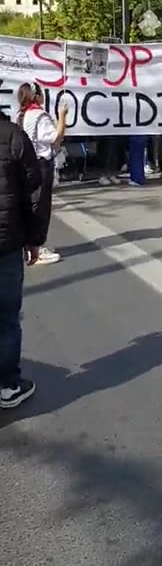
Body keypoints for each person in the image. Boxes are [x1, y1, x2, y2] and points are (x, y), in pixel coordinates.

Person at [0, 110, 42, 408]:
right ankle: (8, 387)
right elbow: (32, 190)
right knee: (7, 319)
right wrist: (34, 239)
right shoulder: (13, 135)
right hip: (7, 242)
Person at [17, 83, 68, 265]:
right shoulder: (40, 115)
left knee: (30, 205)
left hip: (27, 165)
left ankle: (30, 246)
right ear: (36, 96)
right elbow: (55, 138)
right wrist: (62, 117)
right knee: (41, 207)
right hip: (40, 164)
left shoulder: (22, 115)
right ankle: (37, 247)